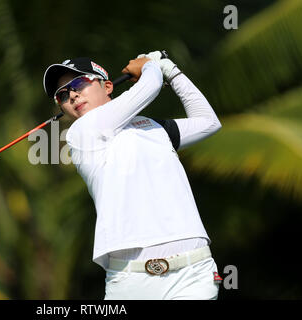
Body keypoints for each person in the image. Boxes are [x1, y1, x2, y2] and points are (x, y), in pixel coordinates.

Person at [43, 50, 222, 300]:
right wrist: (151, 65)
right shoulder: (81, 132)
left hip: (193, 275)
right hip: (131, 281)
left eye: (79, 83)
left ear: (107, 86)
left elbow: (208, 122)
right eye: (62, 95)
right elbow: (151, 85)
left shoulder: (154, 127)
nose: (72, 95)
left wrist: (172, 71)